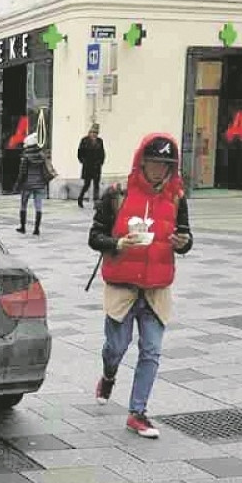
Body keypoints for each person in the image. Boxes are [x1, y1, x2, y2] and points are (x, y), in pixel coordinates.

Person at [88, 133, 194, 440]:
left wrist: (183, 243)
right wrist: (118, 243)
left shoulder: (177, 197)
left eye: (166, 164)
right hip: (122, 286)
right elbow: (95, 237)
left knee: (151, 351)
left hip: (157, 287)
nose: (160, 170)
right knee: (116, 348)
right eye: (154, 163)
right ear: (142, 162)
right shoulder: (116, 194)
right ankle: (108, 375)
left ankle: (137, 412)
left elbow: (185, 236)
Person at [14, 132, 54, 235]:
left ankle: (23, 227)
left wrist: (17, 185)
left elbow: (22, 173)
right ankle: (36, 229)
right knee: (38, 206)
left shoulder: (25, 156)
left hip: (27, 185)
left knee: (23, 205)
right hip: (40, 184)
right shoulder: (42, 155)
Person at [77, 125, 106, 208]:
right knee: (87, 184)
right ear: (89, 132)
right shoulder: (84, 140)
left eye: (96, 133)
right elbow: (80, 153)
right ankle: (80, 198)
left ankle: (96, 203)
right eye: (93, 132)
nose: (94, 134)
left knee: (96, 185)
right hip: (87, 166)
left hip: (97, 167)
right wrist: (83, 161)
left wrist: (101, 162)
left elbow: (102, 153)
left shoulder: (100, 141)